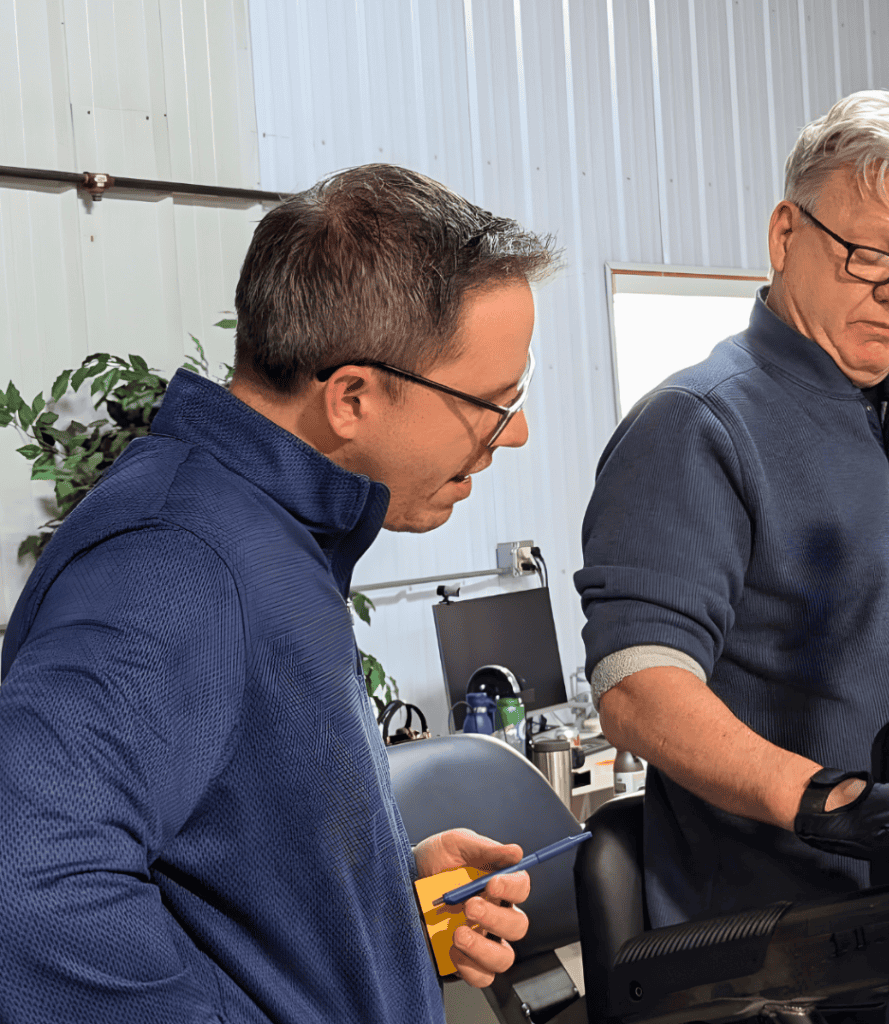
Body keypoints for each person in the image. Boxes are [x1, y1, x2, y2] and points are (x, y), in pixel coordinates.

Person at [0, 164, 560, 1024]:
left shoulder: (260, 535)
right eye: (491, 402)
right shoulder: (178, 560)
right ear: (352, 397)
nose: (512, 431)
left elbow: (211, 876)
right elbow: (22, 885)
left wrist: (372, 905)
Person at [575, 91, 889, 1021]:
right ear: (787, 233)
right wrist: (825, 800)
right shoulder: (698, 428)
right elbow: (638, 688)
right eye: (870, 257)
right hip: (799, 957)